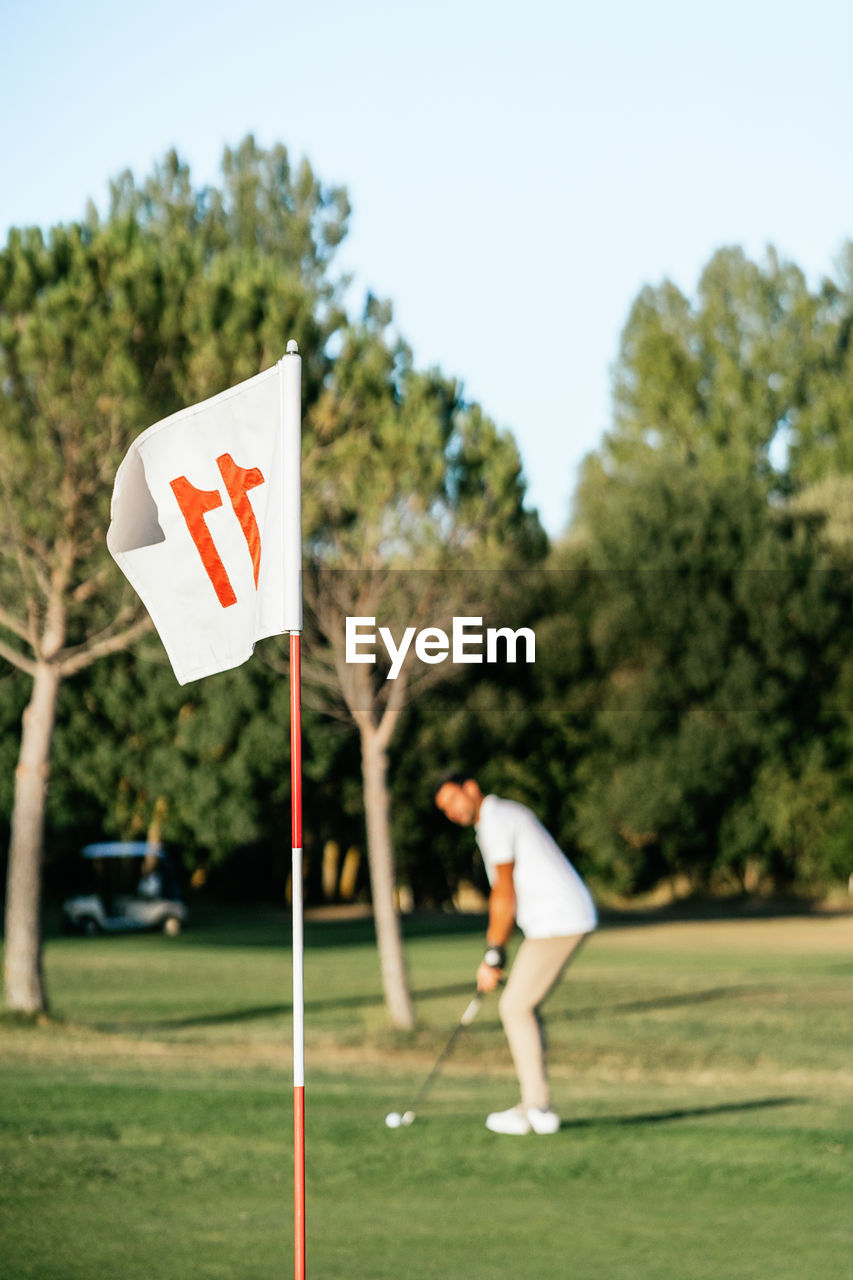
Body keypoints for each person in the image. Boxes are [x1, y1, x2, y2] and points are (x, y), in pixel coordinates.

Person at [435, 774, 597, 1135]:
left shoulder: (495, 821)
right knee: (521, 1006)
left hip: (560, 920)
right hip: (556, 921)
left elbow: (504, 894)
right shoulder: (498, 818)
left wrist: (493, 954)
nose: (453, 811)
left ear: (472, 788)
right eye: (445, 809)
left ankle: (537, 1107)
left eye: (454, 800)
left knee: (515, 1006)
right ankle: (537, 1105)